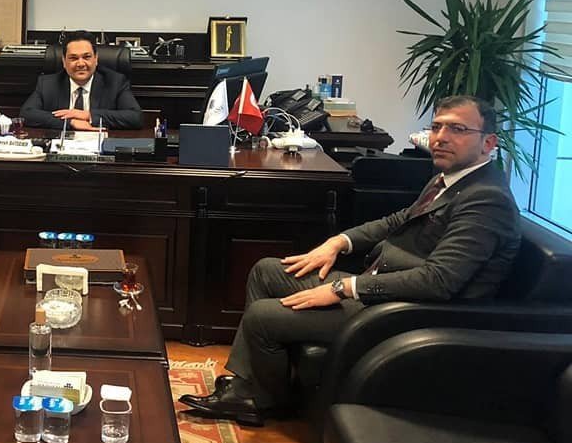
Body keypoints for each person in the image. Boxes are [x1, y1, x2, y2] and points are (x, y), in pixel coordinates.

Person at [180, 95, 521, 426]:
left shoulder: (485, 200)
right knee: (267, 271)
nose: (441, 137)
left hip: (409, 311)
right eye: (437, 127)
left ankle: (265, 400)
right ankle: (252, 386)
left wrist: (344, 288)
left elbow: (439, 281)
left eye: (458, 129)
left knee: (262, 317)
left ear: (488, 143)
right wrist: (338, 242)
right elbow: (396, 221)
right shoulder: (447, 180)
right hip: (384, 289)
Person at [20, 30, 142, 131]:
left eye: (86, 57)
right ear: (64, 61)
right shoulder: (48, 84)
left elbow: (135, 117)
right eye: (73, 58)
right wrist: (70, 122)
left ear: (96, 59)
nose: (81, 64)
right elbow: (27, 114)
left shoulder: (115, 82)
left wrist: (88, 115)